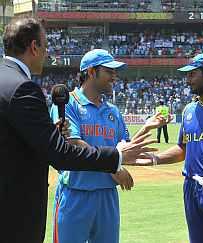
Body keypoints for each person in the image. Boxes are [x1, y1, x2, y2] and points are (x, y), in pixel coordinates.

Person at [0, 17, 155, 243]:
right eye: (45, 47)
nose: (46, 53)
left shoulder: (112, 109)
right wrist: (116, 161)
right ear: (34, 47)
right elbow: (62, 154)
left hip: (105, 196)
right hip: (35, 205)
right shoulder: (27, 89)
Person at [50, 49, 170, 243]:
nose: (115, 76)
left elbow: (124, 149)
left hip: (107, 195)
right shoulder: (68, 103)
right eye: (109, 71)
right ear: (91, 72)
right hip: (75, 193)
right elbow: (73, 145)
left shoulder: (112, 110)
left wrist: (147, 127)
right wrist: (114, 167)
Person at [134, 53, 203, 243]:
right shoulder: (189, 110)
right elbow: (182, 148)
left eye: (192, 74)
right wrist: (155, 159)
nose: (188, 80)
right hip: (191, 188)